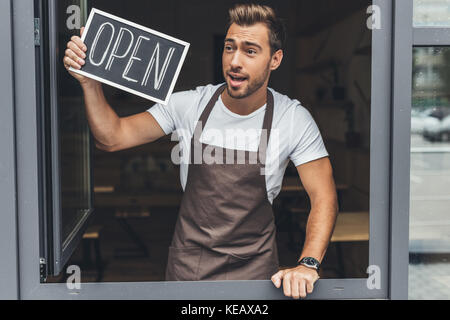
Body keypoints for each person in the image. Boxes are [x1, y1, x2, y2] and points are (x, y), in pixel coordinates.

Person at [63, 3, 338, 299]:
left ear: (275, 59)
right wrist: (90, 83)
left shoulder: (292, 118)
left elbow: (324, 196)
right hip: (189, 267)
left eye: (250, 51)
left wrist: (308, 263)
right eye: (229, 47)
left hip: (256, 272)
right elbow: (113, 137)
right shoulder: (190, 104)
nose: (234, 61)